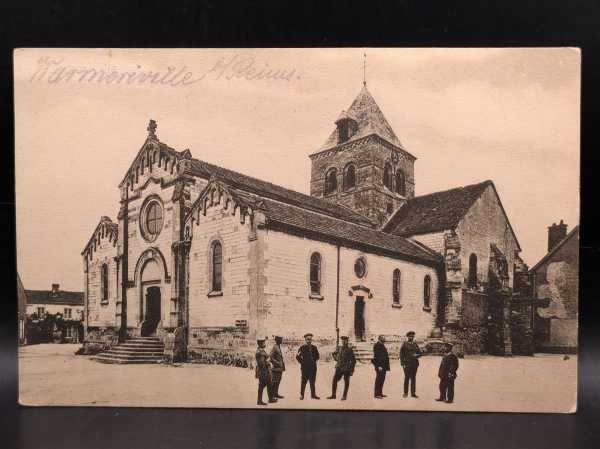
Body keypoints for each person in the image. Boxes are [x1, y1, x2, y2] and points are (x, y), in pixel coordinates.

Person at [327, 336, 356, 401]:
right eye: (342, 341)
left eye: (345, 341)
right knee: (334, 380)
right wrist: (336, 359)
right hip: (339, 368)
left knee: (346, 382)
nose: (343, 342)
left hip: (346, 369)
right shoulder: (339, 348)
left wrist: (352, 370)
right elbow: (334, 354)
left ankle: (344, 396)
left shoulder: (349, 350)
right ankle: (333, 395)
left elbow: (354, 361)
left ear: (347, 341)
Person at [296, 333, 320, 400]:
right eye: (307, 339)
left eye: (310, 339)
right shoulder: (302, 348)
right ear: (305, 340)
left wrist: (313, 361)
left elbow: (318, 356)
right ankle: (302, 395)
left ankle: (313, 395)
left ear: (311, 340)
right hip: (305, 368)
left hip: (313, 368)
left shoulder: (314, 347)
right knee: (303, 382)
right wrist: (303, 363)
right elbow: (297, 356)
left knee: (312, 382)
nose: (309, 341)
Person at [400, 330, 422, 398]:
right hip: (407, 364)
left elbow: (420, 353)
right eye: (410, 336)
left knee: (413, 378)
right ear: (407, 337)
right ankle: (405, 393)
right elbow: (401, 354)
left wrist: (417, 355)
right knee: (406, 378)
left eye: (412, 336)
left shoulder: (415, 344)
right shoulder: (405, 344)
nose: (411, 337)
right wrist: (402, 363)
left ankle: (413, 393)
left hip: (415, 364)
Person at [255, 337, 276, 405]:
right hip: (264, 372)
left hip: (264, 371)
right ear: (260, 343)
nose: (265, 344)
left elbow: (265, 357)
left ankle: (269, 399)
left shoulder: (261, 350)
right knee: (263, 385)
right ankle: (260, 401)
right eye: (263, 343)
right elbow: (262, 364)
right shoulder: (260, 352)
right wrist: (268, 362)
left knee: (268, 384)